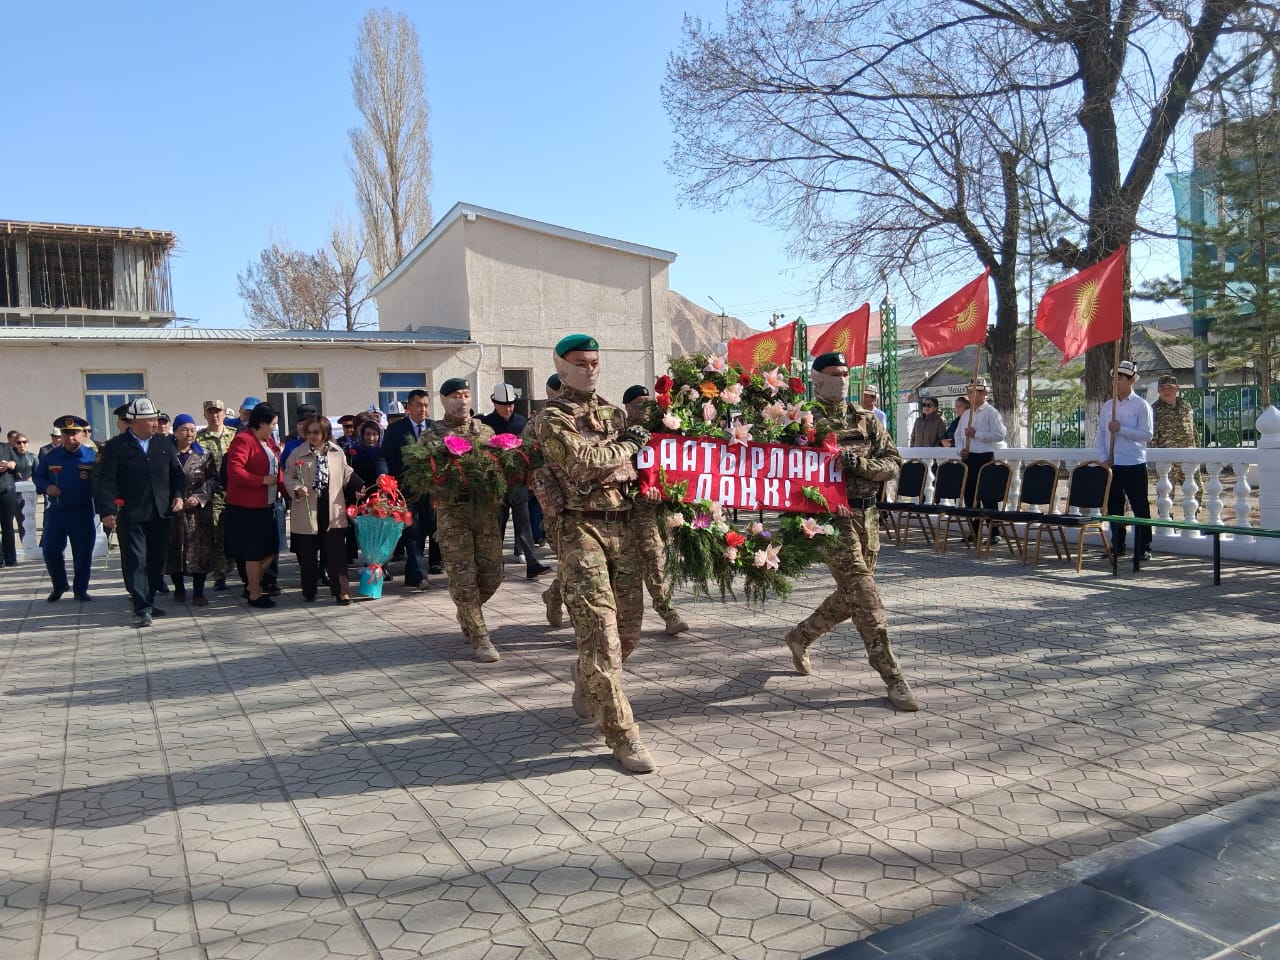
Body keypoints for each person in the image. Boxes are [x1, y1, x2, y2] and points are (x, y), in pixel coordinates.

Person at [534, 334, 657, 774]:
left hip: (622, 528)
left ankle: (586, 675)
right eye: (581, 363)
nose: (589, 369)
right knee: (601, 637)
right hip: (578, 530)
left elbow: (634, 469)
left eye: (594, 362)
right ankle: (624, 737)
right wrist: (628, 446)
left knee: (629, 633)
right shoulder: (551, 419)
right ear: (562, 367)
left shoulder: (613, 412)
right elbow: (584, 463)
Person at [783, 353, 919, 710]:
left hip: (868, 517)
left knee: (853, 594)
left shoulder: (866, 419)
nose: (841, 378)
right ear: (817, 378)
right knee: (866, 595)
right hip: (830, 521)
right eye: (834, 373)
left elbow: (893, 463)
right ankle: (893, 677)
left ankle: (801, 636)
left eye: (845, 373)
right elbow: (784, 465)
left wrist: (862, 466)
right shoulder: (802, 420)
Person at [429, 378, 504, 662]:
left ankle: (466, 610)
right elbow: (426, 476)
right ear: (444, 401)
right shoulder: (434, 435)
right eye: (455, 396)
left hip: (485, 514)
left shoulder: (485, 431)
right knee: (464, 579)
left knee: (493, 575)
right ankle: (481, 637)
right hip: (453, 515)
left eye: (465, 394)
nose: (461, 401)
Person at [93, 398, 185, 627]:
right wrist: (106, 510)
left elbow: (177, 475)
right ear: (134, 422)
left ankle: (149, 600)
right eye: (150, 419)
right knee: (136, 560)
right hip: (131, 514)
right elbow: (105, 481)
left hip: (161, 512)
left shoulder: (164, 443)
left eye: (156, 418)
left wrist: (178, 495)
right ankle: (141, 606)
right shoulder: (115, 446)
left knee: (156, 561)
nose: (155, 423)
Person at [622, 384, 689, 636]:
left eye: (648, 403)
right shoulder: (620, 434)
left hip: (649, 509)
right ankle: (555, 593)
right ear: (627, 406)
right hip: (621, 509)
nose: (645, 408)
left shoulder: (661, 432)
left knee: (654, 557)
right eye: (639, 403)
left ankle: (668, 612)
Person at [481, 383, 551, 579]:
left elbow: (532, 449)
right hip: (495, 484)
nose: (508, 408)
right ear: (495, 403)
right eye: (503, 404)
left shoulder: (522, 423)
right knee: (497, 525)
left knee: (524, 523)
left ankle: (532, 562)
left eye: (511, 404)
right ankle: (495, 565)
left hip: (519, 482)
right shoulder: (485, 425)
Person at [286, 416, 360, 604]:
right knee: (308, 553)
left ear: (325, 433)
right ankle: (309, 590)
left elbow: (347, 474)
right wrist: (296, 487)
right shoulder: (297, 453)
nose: (312, 436)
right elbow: (288, 476)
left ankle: (341, 591)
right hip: (307, 506)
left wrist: (360, 489)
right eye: (309, 432)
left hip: (332, 506)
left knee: (336, 552)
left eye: (316, 432)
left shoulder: (337, 452)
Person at [224, 402, 285, 608]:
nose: (275, 428)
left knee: (271, 549)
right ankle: (255, 593)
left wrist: (289, 493)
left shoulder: (269, 443)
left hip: (268, 504)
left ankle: (252, 585)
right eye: (273, 424)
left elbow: (278, 473)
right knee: (253, 551)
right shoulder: (243, 440)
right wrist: (261, 480)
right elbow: (235, 471)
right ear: (261, 423)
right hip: (247, 507)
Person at [33, 416, 98, 599]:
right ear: (61, 435)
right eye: (66, 433)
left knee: (83, 554)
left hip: (82, 512)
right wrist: (47, 487)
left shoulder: (92, 456)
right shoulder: (51, 456)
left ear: (83, 434)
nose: (70, 438)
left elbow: (104, 482)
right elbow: (39, 477)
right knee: (51, 549)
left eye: (74, 433)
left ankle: (80, 590)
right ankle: (60, 585)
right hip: (57, 513)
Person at [381, 388, 439, 590]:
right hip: (406, 490)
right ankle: (419, 576)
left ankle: (413, 574)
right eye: (418, 405)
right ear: (409, 407)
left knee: (427, 530)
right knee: (412, 532)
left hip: (431, 490)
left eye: (426, 405)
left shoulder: (435, 429)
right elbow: (383, 456)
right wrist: (383, 476)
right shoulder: (396, 430)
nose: (423, 409)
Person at [1097, 360, 1154, 561]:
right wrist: (1103, 458)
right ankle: (1117, 545)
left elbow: (1147, 434)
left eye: (1120, 378)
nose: (1116, 382)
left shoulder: (1141, 405)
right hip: (1113, 465)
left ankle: (1143, 547)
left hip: (1134, 463)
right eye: (1114, 378)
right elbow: (1101, 435)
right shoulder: (1107, 406)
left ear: (1131, 381)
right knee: (1114, 507)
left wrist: (1121, 429)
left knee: (1139, 507)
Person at [164, 414, 216, 606]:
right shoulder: (167, 454)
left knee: (199, 551)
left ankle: (199, 592)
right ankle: (178, 588)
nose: (189, 433)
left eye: (192, 429)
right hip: (174, 510)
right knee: (174, 549)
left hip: (198, 513)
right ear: (175, 432)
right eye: (184, 429)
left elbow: (213, 480)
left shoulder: (204, 453)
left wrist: (199, 497)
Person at [528, 373, 566, 627]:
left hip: (589, 505)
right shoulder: (538, 423)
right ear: (550, 393)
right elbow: (525, 461)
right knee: (572, 561)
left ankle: (554, 594)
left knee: (578, 564)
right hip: (556, 507)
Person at [954, 378, 1007, 537]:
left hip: (984, 458)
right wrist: (960, 450)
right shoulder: (965, 415)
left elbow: (1000, 435)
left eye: (974, 392)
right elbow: (957, 436)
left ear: (983, 393)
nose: (970, 395)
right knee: (970, 496)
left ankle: (994, 532)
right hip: (968, 458)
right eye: (969, 392)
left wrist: (977, 434)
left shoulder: (991, 412)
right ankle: (974, 531)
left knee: (988, 495)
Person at [196, 399, 234, 591]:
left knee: (235, 532)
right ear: (204, 415)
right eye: (210, 412)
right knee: (217, 534)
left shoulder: (235, 435)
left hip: (235, 492)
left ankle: (234, 563)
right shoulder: (199, 439)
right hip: (213, 494)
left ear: (224, 413)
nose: (214, 415)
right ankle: (219, 575)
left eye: (218, 411)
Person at [1151, 374, 1200, 496]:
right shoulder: (1154, 409)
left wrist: (1198, 450)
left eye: (1170, 387)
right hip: (1167, 459)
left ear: (1177, 388)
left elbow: (1192, 429)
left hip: (1188, 456)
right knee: (1165, 492)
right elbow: (1152, 436)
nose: (1166, 391)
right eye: (1163, 388)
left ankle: (1194, 513)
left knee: (1195, 490)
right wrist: (1154, 458)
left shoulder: (1185, 405)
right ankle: (1167, 515)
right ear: (1158, 390)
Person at [0, 429, 37, 567]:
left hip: (7, 489)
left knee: (7, 525)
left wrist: (11, 464)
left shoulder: (7, 448)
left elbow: (18, 464)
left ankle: (10, 559)